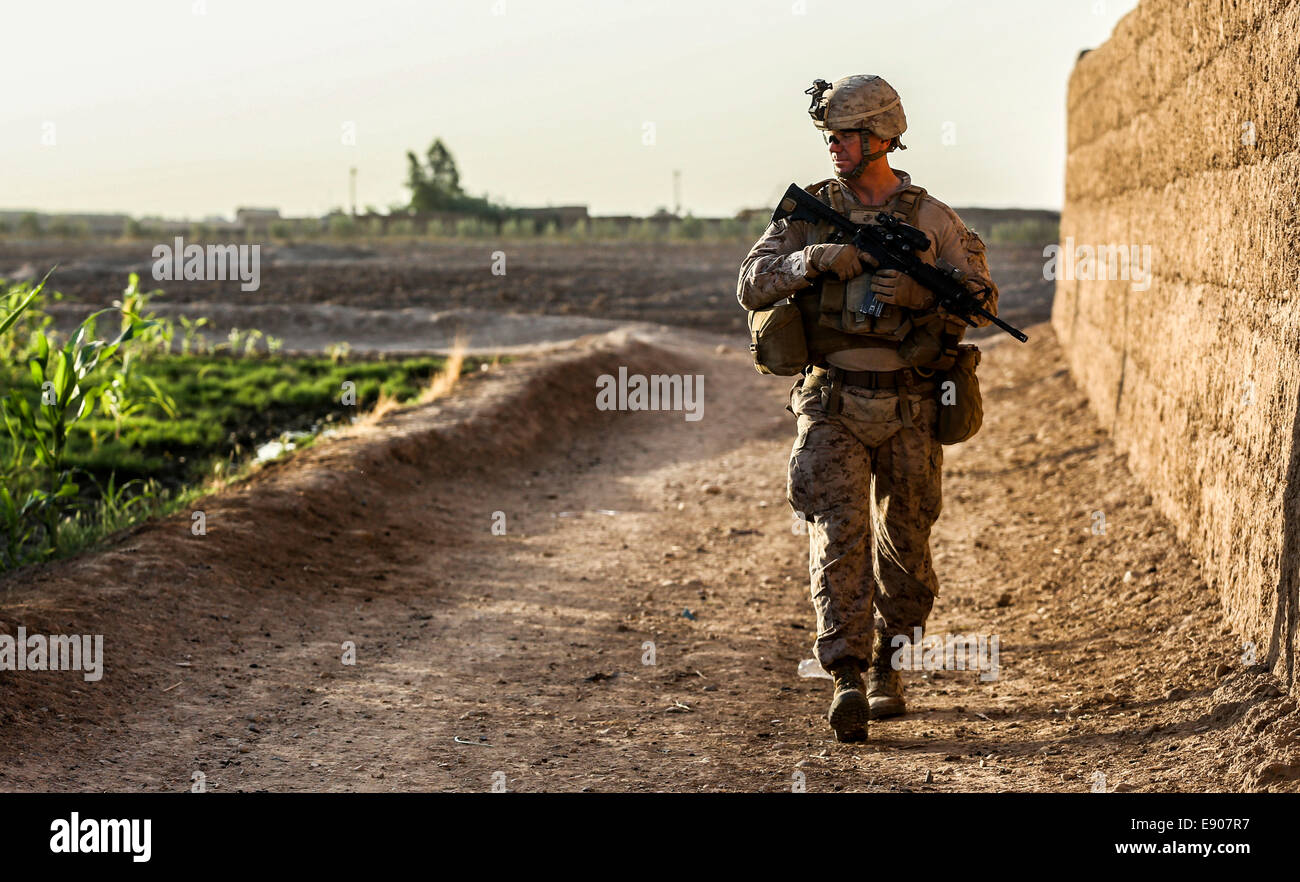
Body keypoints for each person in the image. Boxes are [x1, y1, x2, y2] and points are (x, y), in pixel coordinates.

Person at [736, 75, 1000, 742]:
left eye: (845, 134)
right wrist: (815, 259)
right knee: (838, 539)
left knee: (907, 544)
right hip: (830, 401)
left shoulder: (933, 218)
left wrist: (920, 296)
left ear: (881, 137)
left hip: (910, 403)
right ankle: (848, 674)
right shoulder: (808, 211)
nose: (834, 144)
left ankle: (892, 665)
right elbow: (751, 284)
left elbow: (983, 300)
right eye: (829, 133)